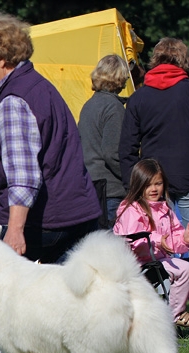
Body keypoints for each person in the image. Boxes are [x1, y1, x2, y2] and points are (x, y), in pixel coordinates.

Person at [0, 14, 101, 263]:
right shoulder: (38, 86)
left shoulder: (13, 101)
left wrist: (15, 229)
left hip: (45, 222)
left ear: (0, 57)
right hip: (76, 213)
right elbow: (38, 148)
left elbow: (24, 174)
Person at [119, 37, 189, 270]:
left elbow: (127, 147)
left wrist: (132, 185)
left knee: (159, 242)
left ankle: (170, 296)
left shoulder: (138, 98)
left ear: (156, 59)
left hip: (152, 181)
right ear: (183, 60)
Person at [114, 159, 189, 333]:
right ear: (138, 186)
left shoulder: (165, 208)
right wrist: (159, 240)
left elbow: (173, 238)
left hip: (160, 260)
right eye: (148, 185)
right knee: (186, 269)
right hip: (138, 263)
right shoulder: (131, 209)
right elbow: (131, 240)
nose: (154, 189)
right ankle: (172, 316)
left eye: (158, 184)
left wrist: (184, 239)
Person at [78, 54, 130, 228]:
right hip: (109, 189)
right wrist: (132, 180)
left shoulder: (89, 105)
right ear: (119, 77)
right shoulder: (114, 108)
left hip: (89, 184)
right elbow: (112, 153)